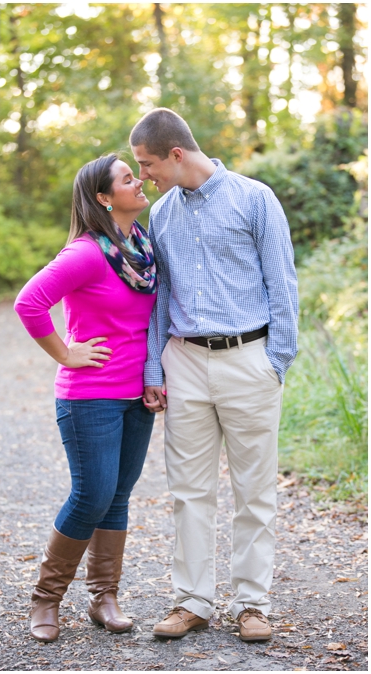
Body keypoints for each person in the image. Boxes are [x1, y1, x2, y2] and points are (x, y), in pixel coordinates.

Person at [130, 108, 298, 642]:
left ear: (176, 154)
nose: (144, 175)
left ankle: (252, 604)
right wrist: (154, 364)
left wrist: (277, 362)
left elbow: (283, 283)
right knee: (189, 490)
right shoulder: (160, 214)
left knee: (255, 491)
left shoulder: (254, 198)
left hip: (250, 358)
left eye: (148, 164)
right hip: (184, 362)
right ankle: (192, 601)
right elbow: (159, 298)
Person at [14, 154, 158, 642]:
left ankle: (105, 597)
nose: (138, 181)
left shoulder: (141, 246)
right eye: (126, 178)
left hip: (138, 394)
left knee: (117, 494)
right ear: (103, 197)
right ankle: (45, 599)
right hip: (90, 395)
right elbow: (29, 301)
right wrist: (65, 353)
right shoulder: (87, 253)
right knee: (91, 493)